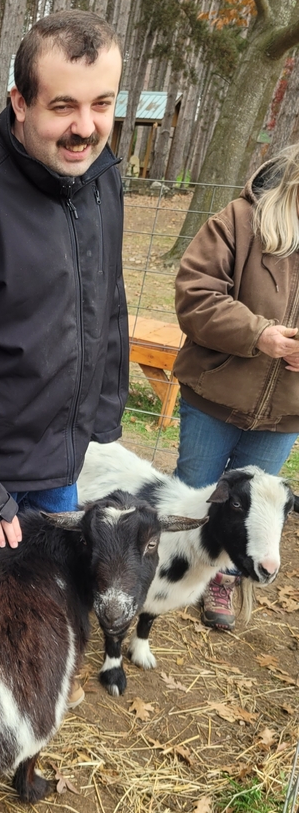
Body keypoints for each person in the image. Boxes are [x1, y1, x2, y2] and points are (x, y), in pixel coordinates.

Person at [0, 11, 128, 705]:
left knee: (51, 597)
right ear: (19, 103)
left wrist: (104, 416)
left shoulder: (104, 178)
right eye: (63, 106)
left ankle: (31, 690)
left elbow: (109, 298)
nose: (85, 126)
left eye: (102, 104)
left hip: (64, 454)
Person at [173, 143, 299, 629]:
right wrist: (258, 334)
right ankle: (171, 565)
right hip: (215, 396)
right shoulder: (240, 221)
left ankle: (222, 578)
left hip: (286, 411)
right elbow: (195, 294)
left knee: (258, 509)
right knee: (195, 493)